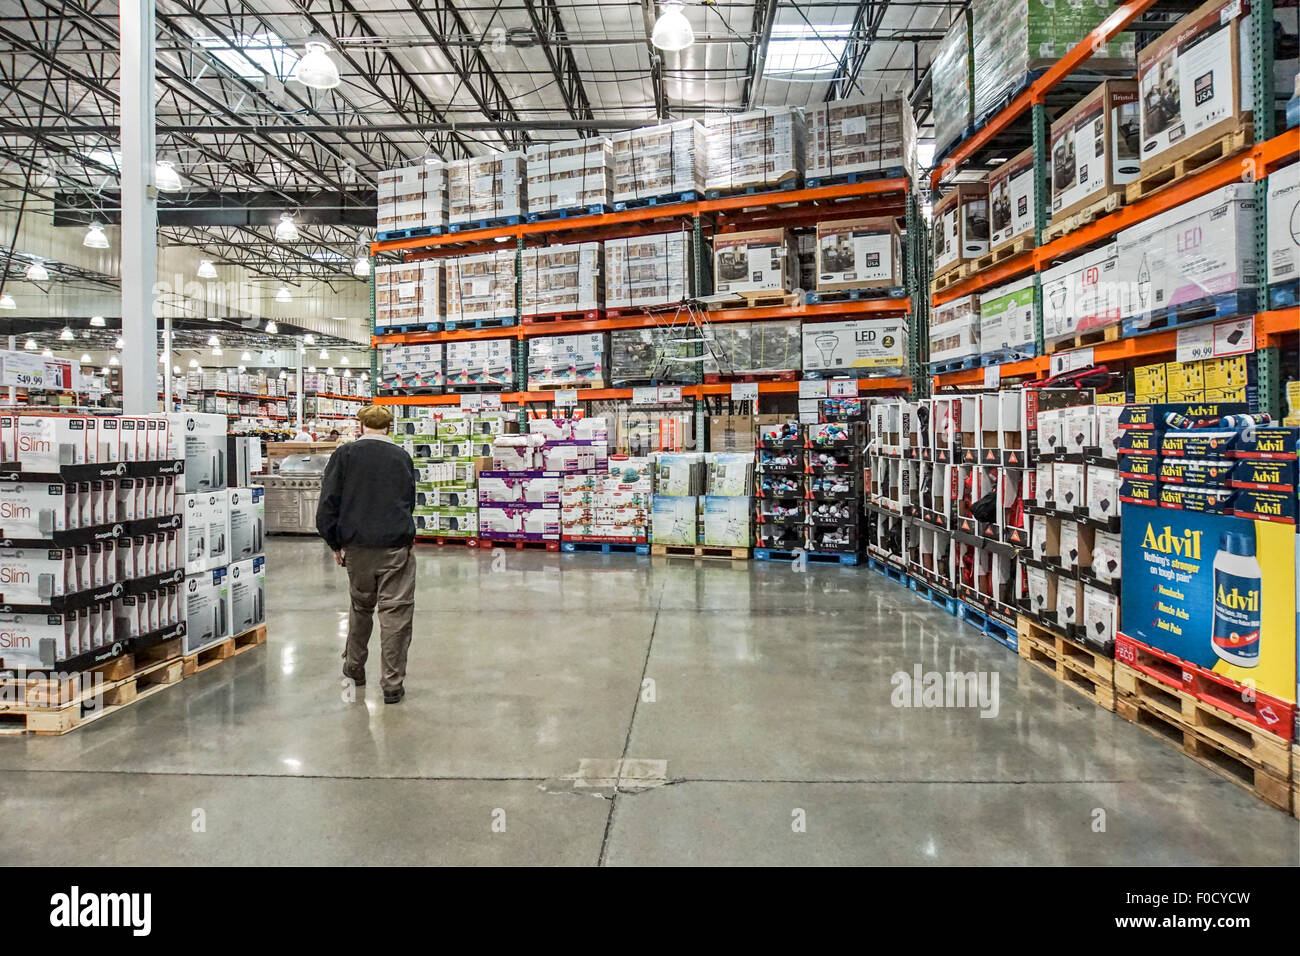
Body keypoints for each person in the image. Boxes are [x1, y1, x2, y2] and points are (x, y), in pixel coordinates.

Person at [315, 405, 418, 704]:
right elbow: (408, 500)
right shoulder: (402, 456)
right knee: (395, 614)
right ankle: (392, 684)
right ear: (389, 426)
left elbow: (328, 503)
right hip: (395, 547)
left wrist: (335, 543)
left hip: (356, 548)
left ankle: (354, 667)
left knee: (361, 608)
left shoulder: (344, 455)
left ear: (360, 425)